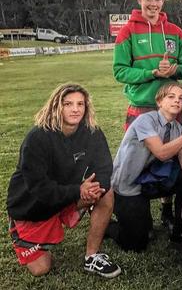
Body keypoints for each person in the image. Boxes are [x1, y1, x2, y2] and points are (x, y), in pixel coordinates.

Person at [7, 83, 121, 278]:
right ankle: (23, 233)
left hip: (67, 197)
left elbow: (104, 168)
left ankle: (92, 256)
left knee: (106, 193)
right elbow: (39, 188)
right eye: (67, 104)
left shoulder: (92, 132)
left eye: (80, 104)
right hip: (34, 207)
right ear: (56, 106)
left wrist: (94, 187)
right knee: (41, 269)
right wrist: (78, 190)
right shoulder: (37, 138)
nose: (75, 109)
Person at [110, 82, 182, 251]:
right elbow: (161, 152)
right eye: (171, 96)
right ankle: (107, 224)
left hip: (150, 181)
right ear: (159, 102)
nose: (177, 101)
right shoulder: (145, 120)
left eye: (181, 98)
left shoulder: (177, 128)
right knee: (137, 243)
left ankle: (179, 230)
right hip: (128, 186)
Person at [113, 0, 182, 131]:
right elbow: (120, 71)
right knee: (138, 155)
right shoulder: (127, 31)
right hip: (141, 106)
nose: (153, 4)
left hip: (171, 107)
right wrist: (152, 73)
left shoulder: (176, 32)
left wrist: (174, 70)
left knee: (176, 153)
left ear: (163, 1)